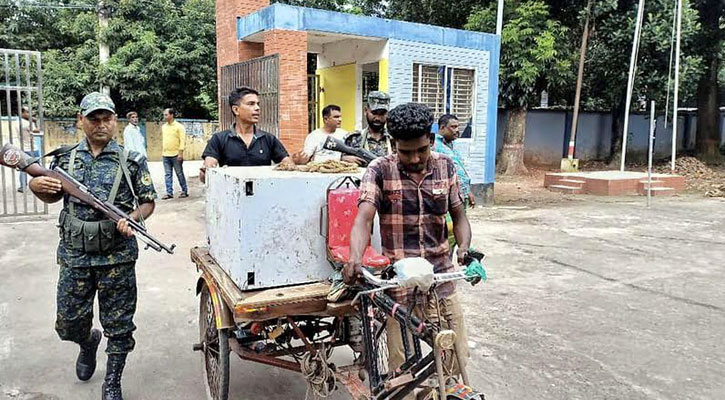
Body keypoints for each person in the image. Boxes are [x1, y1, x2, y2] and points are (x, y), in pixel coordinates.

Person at [27, 92, 157, 400]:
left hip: (118, 256)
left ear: (115, 121)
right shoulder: (65, 158)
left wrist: (132, 218)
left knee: (120, 325)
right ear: (80, 121)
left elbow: (149, 202)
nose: (101, 125)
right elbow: (53, 196)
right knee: (67, 324)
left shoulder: (132, 160)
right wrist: (36, 186)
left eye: (107, 118)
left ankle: (112, 381)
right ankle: (87, 342)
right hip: (75, 256)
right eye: (94, 119)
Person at [344, 103, 472, 398]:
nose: (415, 159)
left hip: (441, 282)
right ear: (393, 144)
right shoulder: (379, 170)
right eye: (406, 152)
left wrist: (464, 248)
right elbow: (363, 218)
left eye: (421, 150)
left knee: (454, 366)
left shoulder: (446, 166)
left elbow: (460, 216)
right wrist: (355, 258)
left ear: (430, 139)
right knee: (403, 375)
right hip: (398, 288)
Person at [200, 87, 294, 183]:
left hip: (263, 195)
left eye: (258, 104)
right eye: (251, 104)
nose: (257, 108)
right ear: (236, 110)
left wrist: (293, 162)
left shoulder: (269, 139)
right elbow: (207, 172)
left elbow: (287, 163)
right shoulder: (219, 139)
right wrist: (206, 172)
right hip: (232, 195)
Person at [294, 104, 363, 165]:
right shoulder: (314, 136)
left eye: (340, 117)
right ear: (326, 119)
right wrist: (299, 159)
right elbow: (309, 159)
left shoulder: (344, 134)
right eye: (336, 117)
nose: (340, 119)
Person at [434, 114, 475, 207]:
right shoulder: (435, 146)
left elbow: (458, 171)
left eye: (458, 127)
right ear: (442, 127)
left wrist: (468, 191)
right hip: (447, 196)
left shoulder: (451, 146)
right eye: (453, 127)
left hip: (460, 195)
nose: (457, 130)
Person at [345, 91, 394, 160]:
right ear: (365, 111)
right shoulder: (353, 138)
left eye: (382, 114)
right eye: (374, 113)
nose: (378, 118)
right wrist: (344, 158)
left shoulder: (395, 139)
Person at [161, 108, 188, 199]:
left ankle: (184, 191)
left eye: (166, 115)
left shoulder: (179, 127)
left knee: (179, 173)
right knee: (167, 174)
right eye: (164, 115)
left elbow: (182, 140)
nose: (165, 116)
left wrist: (180, 153)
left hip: (176, 154)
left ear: (171, 115)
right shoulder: (164, 127)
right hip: (165, 154)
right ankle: (169, 192)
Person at [14, 106, 42, 192]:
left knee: (23, 168)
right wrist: (35, 121)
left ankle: (23, 186)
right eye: (27, 112)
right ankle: (41, 184)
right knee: (38, 168)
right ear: (22, 113)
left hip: (23, 149)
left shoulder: (16, 122)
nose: (29, 114)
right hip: (32, 149)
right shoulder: (28, 124)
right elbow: (37, 131)